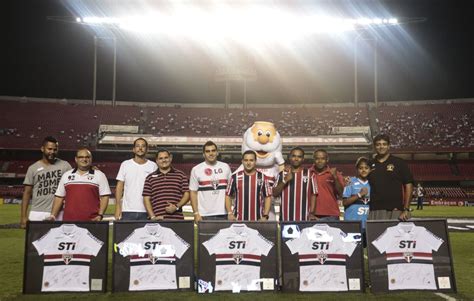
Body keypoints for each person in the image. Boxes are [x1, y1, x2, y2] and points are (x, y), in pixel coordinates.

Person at [20, 136, 72, 228]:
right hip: (37, 212)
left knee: (57, 241)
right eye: (49, 149)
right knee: (35, 241)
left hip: (59, 213)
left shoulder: (65, 166)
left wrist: (90, 169)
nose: (52, 152)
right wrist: (23, 217)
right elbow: (27, 193)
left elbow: (76, 180)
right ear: (42, 149)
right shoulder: (33, 168)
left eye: (55, 149)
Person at [48, 148, 111, 221]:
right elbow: (59, 197)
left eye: (87, 157)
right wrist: (53, 215)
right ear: (76, 159)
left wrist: (100, 215)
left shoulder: (100, 175)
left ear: (91, 159)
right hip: (69, 221)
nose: (84, 159)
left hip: (92, 221)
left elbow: (105, 197)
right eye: (81, 157)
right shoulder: (66, 175)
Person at [368, 134, 414, 221]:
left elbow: (409, 185)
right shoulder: (369, 164)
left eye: (384, 144)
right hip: (375, 210)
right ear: (374, 147)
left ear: (389, 146)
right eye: (378, 144)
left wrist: (406, 209)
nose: (381, 147)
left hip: (396, 210)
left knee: (397, 234)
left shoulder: (399, 163)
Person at [115, 138, 157, 220]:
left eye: (143, 146)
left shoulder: (153, 166)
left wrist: (153, 210)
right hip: (127, 210)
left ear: (147, 150)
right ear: (133, 149)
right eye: (138, 146)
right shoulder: (125, 164)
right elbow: (120, 186)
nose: (140, 148)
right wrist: (117, 206)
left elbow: (155, 189)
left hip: (147, 210)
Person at [189, 141, 232, 222]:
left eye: (213, 150)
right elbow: (193, 193)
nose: (211, 153)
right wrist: (196, 213)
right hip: (204, 214)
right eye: (207, 151)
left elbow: (229, 191)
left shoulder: (225, 167)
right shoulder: (196, 169)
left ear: (217, 152)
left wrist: (230, 212)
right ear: (203, 154)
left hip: (223, 213)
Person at [272, 147, 317, 221]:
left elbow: (314, 194)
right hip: (285, 218)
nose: (296, 159)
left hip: (305, 218)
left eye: (299, 157)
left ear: (303, 159)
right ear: (289, 157)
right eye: (293, 156)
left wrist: (312, 213)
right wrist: (285, 181)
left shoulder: (310, 174)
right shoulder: (282, 174)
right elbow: (274, 193)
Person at [143, 149, 189, 220]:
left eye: (166, 157)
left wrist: (176, 207)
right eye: (160, 158)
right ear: (157, 161)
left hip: (177, 219)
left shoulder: (181, 175)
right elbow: (146, 199)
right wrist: (152, 217)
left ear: (170, 158)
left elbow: (187, 194)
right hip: (158, 220)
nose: (164, 160)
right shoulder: (149, 178)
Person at [225, 150, 272, 221]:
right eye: (246, 160)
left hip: (258, 220)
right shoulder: (234, 177)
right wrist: (229, 213)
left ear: (255, 161)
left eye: (251, 160)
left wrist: (265, 216)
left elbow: (268, 197)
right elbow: (228, 195)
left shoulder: (263, 177)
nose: (248, 163)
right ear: (242, 161)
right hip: (238, 220)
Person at [309, 149, 344, 221]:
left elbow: (340, 193)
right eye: (317, 159)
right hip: (312, 214)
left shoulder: (335, 174)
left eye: (322, 159)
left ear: (327, 159)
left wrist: (335, 177)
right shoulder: (308, 173)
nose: (320, 161)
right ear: (313, 160)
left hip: (331, 214)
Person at [343, 157, 371, 236]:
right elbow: (344, 202)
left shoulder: (372, 183)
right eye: (361, 168)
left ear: (370, 169)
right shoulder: (350, 182)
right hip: (352, 223)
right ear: (357, 169)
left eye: (366, 168)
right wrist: (359, 194)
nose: (364, 170)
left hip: (367, 224)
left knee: (367, 248)